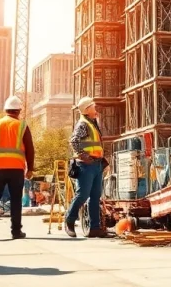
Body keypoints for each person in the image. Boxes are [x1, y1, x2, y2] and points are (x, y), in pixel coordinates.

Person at [0, 96, 35, 239]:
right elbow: (30, 148)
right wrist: (30, 168)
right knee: (16, 199)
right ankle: (16, 231)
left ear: (5, 110)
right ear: (18, 111)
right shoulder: (22, 126)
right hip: (16, 169)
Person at [65, 96, 109, 238]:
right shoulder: (83, 124)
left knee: (95, 197)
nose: (95, 109)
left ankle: (95, 228)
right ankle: (69, 221)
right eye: (93, 107)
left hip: (96, 164)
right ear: (86, 109)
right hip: (86, 165)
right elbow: (74, 141)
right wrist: (85, 157)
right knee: (82, 195)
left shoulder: (92, 123)